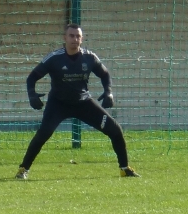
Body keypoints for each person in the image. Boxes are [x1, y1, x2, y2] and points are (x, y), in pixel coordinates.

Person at [17, 23, 135, 179]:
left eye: (78, 36)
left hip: (83, 103)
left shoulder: (89, 57)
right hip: (58, 104)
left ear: (82, 38)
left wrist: (108, 93)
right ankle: (23, 169)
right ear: (65, 38)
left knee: (115, 129)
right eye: (71, 36)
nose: (74, 39)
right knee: (43, 134)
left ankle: (124, 168)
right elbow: (32, 77)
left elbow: (105, 75)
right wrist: (32, 95)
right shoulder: (54, 58)